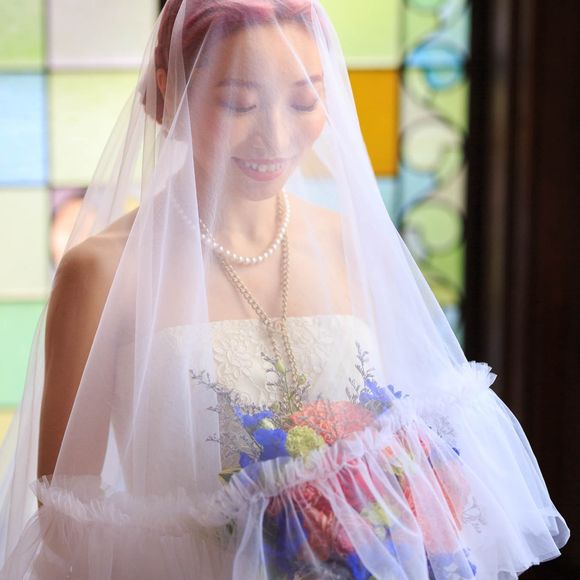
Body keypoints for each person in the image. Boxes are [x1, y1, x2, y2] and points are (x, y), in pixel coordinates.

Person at [0, 1, 569, 578]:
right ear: (170, 91)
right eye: (239, 103)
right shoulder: (101, 274)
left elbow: (419, 457)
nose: (274, 137)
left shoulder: (350, 244)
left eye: (304, 100)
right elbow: (68, 523)